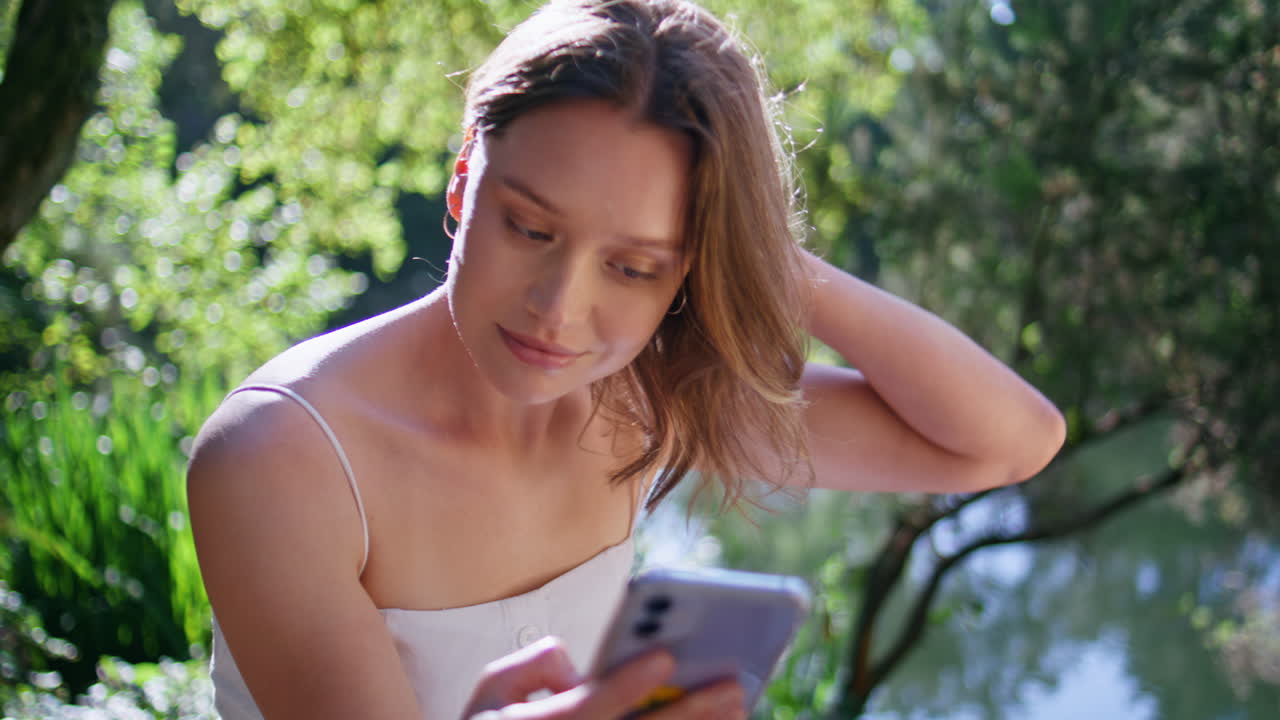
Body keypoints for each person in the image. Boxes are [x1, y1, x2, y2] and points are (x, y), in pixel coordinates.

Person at [185, 0, 1067, 718]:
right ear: (463, 182)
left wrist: (765, 258)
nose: (558, 310)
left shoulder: (642, 400)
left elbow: (1005, 443)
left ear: (687, 268)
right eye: (529, 227)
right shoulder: (281, 457)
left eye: (633, 266)